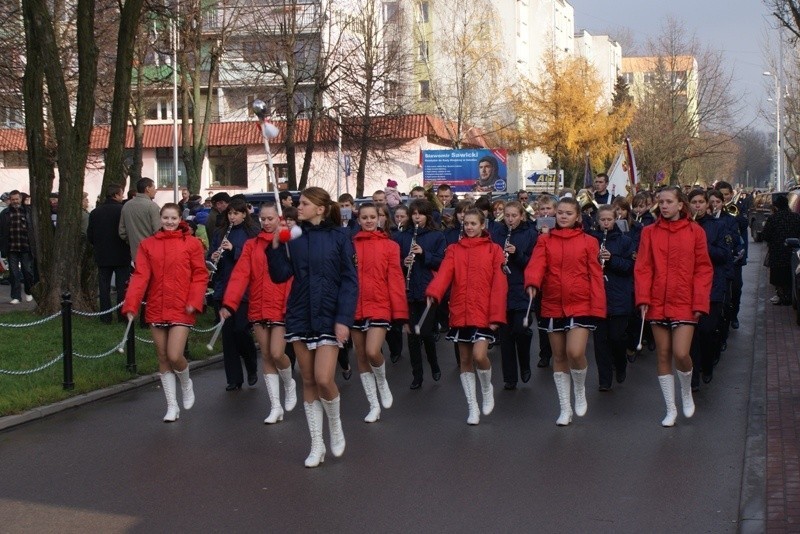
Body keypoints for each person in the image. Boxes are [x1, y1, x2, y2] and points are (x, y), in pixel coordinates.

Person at [266, 186, 357, 468]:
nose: (298, 207)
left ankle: (335, 424)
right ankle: (316, 443)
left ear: (320, 208)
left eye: (304, 203)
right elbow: (280, 276)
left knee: (323, 379)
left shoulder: (340, 237)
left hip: (330, 316)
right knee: (307, 380)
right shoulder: (294, 237)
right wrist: (275, 248)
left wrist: (343, 319)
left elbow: (350, 281)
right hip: (300, 314)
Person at [634, 186, 713, 427]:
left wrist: (700, 301)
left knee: (681, 353)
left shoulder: (695, 231)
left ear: (681, 205)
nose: (664, 206)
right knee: (663, 353)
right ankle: (670, 408)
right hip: (657, 300)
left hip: (685, 301)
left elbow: (703, 268)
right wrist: (643, 298)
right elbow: (643, 267)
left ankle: (687, 391)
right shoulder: (649, 232)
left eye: (669, 201)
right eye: (661, 202)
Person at [524, 197, 606, 426]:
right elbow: (536, 265)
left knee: (575, 352)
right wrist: (532, 282)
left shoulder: (589, 242)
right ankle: (564, 408)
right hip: (552, 303)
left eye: (568, 213)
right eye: (560, 212)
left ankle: (579, 390)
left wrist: (598, 308)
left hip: (581, 302)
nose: (563, 216)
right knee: (558, 356)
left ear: (578, 217)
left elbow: (596, 276)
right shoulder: (544, 240)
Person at [122, 203, 208, 422]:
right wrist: (131, 305)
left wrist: (194, 300)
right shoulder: (148, 245)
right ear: (160, 219)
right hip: (156, 306)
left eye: (173, 218)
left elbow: (200, 274)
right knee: (162, 357)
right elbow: (140, 276)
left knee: (174, 355)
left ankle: (186, 382)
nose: (169, 222)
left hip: (182, 306)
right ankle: (171, 405)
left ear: (181, 219)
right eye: (165, 218)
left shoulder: (192, 244)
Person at [427, 208, 507, 424]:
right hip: (461, 310)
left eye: (474, 223)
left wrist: (496, 316)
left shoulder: (494, 250)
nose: (470, 227)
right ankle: (472, 406)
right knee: (464, 360)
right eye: (467, 224)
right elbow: (444, 274)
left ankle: (487, 388)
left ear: (483, 225)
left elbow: (500, 285)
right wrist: (434, 292)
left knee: (480, 356)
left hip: (483, 311)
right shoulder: (454, 249)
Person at [221, 203, 297, 423]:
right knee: (266, 355)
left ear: (278, 219)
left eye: (270, 218)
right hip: (258, 305)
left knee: (276, 353)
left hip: (281, 306)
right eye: (262, 219)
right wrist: (229, 304)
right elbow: (240, 276)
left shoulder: (288, 243)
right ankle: (275, 406)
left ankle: (289, 383)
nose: (266, 222)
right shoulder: (250, 245)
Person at [351, 203, 408, 422]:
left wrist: (400, 312)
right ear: (358, 220)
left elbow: (395, 279)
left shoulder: (390, 246)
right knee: (361, 355)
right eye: (364, 217)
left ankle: (382, 381)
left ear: (380, 219)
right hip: (355, 307)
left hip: (379, 305)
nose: (368, 221)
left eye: (372, 217)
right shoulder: (350, 245)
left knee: (373, 351)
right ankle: (373, 405)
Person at [208, 198, 261, 391]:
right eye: (230, 213)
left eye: (236, 213)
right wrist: (213, 256)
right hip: (223, 287)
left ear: (244, 214)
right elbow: (210, 255)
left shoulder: (253, 232)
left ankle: (251, 365)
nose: (232, 217)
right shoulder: (220, 232)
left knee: (241, 330)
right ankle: (234, 378)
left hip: (244, 291)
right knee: (228, 336)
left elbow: (256, 259)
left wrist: (234, 250)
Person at [395, 198, 446, 389]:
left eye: (421, 213)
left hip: (427, 290)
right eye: (414, 213)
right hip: (408, 291)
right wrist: (403, 262)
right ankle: (417, 375)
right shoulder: (402, 236)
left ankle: (433, 363)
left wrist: (424, 253)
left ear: (427, 216)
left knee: (424, 332)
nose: (417, 217)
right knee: (412, 336)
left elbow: (442, 262)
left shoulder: (436, 236)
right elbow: (394, 262)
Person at [688, 189, 733, 389]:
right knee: (691, 335)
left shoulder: (718, 226)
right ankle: (693, 376)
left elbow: (724, 255)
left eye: (701, 202)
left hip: (712, 287)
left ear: (708, 205)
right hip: (688, 288)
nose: (697, 205)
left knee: (706, 331)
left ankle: (707, 365)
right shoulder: (684, 226)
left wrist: (701, 244)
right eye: (694, 202)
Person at [491, 201, 537, 390]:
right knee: (506, 335)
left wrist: (516, 253)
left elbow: (533, 263)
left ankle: (525, 363)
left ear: (521, 216)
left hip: (521, 288)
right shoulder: (497, 233)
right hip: (502, 288)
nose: (510, 219)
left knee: (520, 330)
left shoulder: (530, 234)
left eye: (514, 216)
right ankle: (510, 377)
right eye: (507, 216)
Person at [591, 205, 635, 391]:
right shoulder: (592, 240)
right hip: (597, 295)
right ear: (598, 221)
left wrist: (612, 259)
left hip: (619, 295)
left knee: (617, 337)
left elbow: (630, 267)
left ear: (616, 219)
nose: (606, 223)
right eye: (603, 220)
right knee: (600, 341)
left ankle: (620, 362)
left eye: (610, 220)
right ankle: (604, 380)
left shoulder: (625, 241)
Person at [87, 185, 131, 323]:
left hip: (103, 254)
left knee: (104, 287)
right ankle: (122, 315)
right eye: (121, 193)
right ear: (116, 195)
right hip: (121, 253)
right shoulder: (123, 210)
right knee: (122, 287)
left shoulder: (95, 212)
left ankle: (105, 316)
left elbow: (90, 235)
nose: (123, 196)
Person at [762, 195, 800, 305]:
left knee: (778, 276)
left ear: (776, 206)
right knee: (791, 275)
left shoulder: (773, 218)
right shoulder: (796, 217)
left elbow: (766, 235)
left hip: (777, 252)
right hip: (793, 251)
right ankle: (789, 295)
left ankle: (782, 295)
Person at [0, 190, 36, 304]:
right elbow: (1, 231)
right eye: (12, 199)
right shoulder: (5, 213)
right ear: (10, 200)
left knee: (27, 271)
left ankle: (29, 292)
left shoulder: (28, 211)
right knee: (14, 273)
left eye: (17, 199)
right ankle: (16, 296)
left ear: (20, 199)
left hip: (26, 246)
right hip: (11, 247)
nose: (15, 201)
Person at [386, 204, 411, 363]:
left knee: (400, 314)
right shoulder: (392, 235)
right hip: (393, 276)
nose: (399, 219)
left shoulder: (409, 234)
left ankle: (400, 345)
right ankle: (393, 347)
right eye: (397, 217)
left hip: (407, 278)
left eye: (403, 217)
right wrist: (403, 261)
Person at [119, 177, 161, 261]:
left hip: (135, 254)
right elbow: (158, 231)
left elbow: (122, 232)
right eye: (154, 188)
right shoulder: (152, 206)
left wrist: (132, 241)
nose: (156, 191)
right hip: (152, 253)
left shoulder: (126, 205)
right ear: (147, 189)